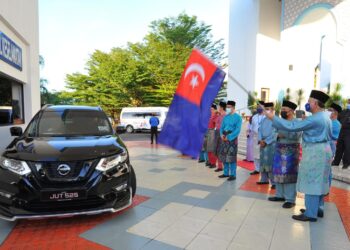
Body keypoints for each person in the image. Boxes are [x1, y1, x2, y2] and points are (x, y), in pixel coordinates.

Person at [264, 90, 332, 222]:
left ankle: (311, 213)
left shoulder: (316, 118)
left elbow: (292, 126)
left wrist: (273, 117)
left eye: (310, 101)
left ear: (316, 104)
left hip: (315, 152)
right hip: (324, 150)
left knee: (312, 181)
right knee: (320, 181)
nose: (308, 103)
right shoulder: (324, 116)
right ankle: (316, 208)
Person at [268, 100, 301, 208]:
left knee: (289, 175)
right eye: (281, 109)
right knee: (278, 172)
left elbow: (297, 135)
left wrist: (285, 134)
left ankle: (290, 199)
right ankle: (279, 195)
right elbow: (273, 132)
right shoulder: (280, 121)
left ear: (291, 111)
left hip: (291, 152)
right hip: (279, 150)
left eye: (284, 110)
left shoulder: (297, 122)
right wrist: (277, 135)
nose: (282, 111)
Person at [218, 101, 242, 181]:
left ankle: (233, 174)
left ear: (233, 107)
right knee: (224, 155)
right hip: (224, 137)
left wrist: (229, 137)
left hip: (232, 138)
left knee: (231, 157)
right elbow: (221, 127)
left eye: (229, 107)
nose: (227, 108)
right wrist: (221, 135)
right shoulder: (225, 117)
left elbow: (237, 130)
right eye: (227, 107)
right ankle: (225, 173)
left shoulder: (238, 117)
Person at [257, 102, 276, 188]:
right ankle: (264, 179)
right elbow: (259, 130)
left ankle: (273, 182)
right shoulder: (263, 120)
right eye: (265, 109)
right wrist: (260, 140)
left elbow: (275, 133)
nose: (266, 111)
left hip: (271, 144)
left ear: (272, 110)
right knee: (263, 162)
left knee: (271, 162)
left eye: (268, 109)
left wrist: (266, 141)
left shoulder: (275, 120)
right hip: (262, 143)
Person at [332, 98, 350, 169]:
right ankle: (336, 162)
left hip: (349, 132)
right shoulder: (344, 111)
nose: (349, 104)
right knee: (339, 147)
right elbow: (339, 119)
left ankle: (346, 163)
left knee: (347, 148)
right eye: (348, 102)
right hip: (342, 131)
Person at [250, 101, 265, 175]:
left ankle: (263, 170)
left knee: (263, 154)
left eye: (260, 107)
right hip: (256, 137)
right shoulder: (254, 117)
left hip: (264, 138)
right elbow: (252, 126)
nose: (259, 108)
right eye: (258, 107)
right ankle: (257, 169)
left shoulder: (266, 116)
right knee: (256, 154)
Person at [213, 101, 226, 172]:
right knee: (217, 149)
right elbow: (214, 121)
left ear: (221, 107)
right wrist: (216, 114)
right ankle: (220, 166)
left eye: (219, 106)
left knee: (221, 150)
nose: (218, 108)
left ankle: (223, 166)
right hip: (217, 132)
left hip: (222, 133)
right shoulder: (219, 115)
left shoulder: (225, 116)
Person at [207, 104, 219, 168]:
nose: (211, 110)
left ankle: (213, 163)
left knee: (212, 149)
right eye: (210, 109)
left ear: (215, 109)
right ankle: (210, 161)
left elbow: (216, 124)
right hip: (208, 132)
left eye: (212, 109)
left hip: (213, 132)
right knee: (209, 149)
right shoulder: (209, 116)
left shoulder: (216, 116)